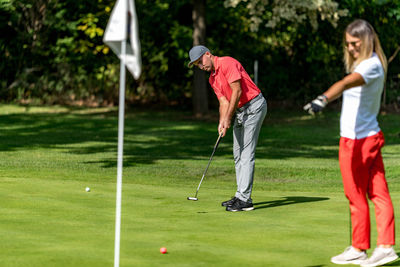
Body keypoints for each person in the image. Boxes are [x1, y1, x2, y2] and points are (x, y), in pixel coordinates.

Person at [304, 19, 397, 267]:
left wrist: (322, 98)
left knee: (356, 193)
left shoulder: (369, 67)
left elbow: (346, 82)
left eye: (355, 43)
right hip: (368, 137)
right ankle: (384, 246)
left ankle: (360, 248)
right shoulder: (372, 63)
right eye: (347, 44)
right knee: (378, 193)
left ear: (366, 40)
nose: (351, 48)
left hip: (357, 142)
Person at [188, 45, 267, 212]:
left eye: (201, 61)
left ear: (208, 54)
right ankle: (240, 195)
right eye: (197, 65)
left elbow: (237, 91)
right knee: (237, 154)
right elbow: (224, 102)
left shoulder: (227, 63)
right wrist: (222, 121)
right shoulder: (212, 79)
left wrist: (228, 118)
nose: (201, 66)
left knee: (246, 154)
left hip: (254, 107)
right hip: (240, 111)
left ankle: (245, 200)